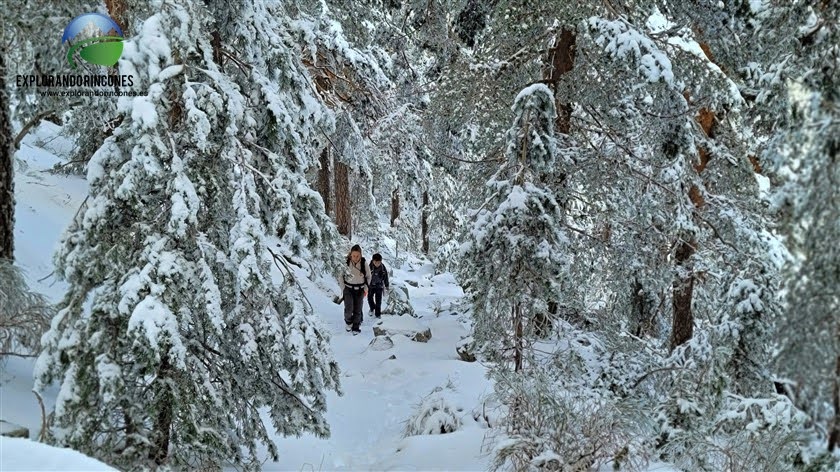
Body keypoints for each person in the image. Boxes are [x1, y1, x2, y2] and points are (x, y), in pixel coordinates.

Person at [339, 244, 370, 335]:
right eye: (354, 256)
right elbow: (340, 276)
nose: (355, 258)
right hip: (348, 289)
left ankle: (356, 326)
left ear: (360, 255)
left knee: (358, 309)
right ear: (351, 255)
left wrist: (365, 289)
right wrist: (343, 288)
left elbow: (368, 277)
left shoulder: (364, 263)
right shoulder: (346, 262)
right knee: (349, 309)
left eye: (357, 256)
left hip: (360, 289)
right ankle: (348, 322)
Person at [367, 253, 390, 319]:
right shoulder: (369, 267)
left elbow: (386, 277)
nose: (377, 264)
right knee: (370, 298)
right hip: (371, 286)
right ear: (373, 261)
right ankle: (372, 308)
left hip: (379, 286)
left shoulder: (383, 268)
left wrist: (387, 285)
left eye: (379, 262)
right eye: (375, 262)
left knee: (378, 301)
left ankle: (378, 314)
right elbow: (366, 276)